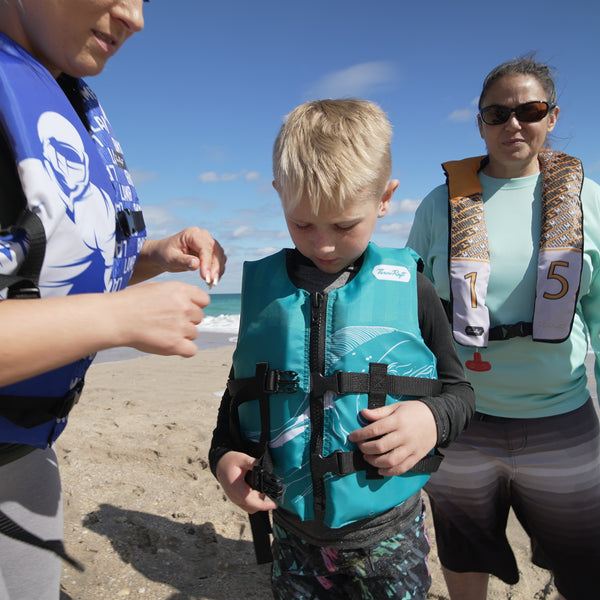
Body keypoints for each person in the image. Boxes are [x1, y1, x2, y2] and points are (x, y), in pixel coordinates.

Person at [0, 1, 226, 599]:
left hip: (22, 446)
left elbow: (35, 280)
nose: (135, 16)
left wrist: (150, 256)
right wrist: (117, 318)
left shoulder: (57, 85)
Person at [209, 98, 474, 600]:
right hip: (292, 533)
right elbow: (235, 404)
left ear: (385, 197)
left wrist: (430, 420)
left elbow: (461, 394)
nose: (323, 244)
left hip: (388, 535)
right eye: (302, 223)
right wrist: (223, 459)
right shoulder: (266, 295)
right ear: (279, 196)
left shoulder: (412, 288)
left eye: (344, 225)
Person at [406, 55, 600, 600]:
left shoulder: (589, 202)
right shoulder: (439, 206)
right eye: (497, 113)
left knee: (584, 559)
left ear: (553, 117)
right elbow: (407, 310)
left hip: (561, 420)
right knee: (463, 544)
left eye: (530, 110)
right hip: (463, 419)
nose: (513, 124)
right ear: (480, 122)